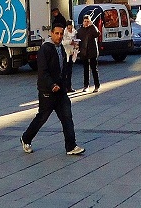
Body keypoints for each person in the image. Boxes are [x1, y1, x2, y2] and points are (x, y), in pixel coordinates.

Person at [21, 24, 84, 156]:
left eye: (61, 34)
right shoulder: (45, 49)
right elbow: (42, 71)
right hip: (48, 91)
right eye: (57, 34)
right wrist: (51, 85)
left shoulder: (60, 47)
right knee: (42, 117)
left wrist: (65, 84)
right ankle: (26, 138)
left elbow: (63, 67)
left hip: (60, 91)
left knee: (67, 117)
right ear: (51, 34)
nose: (59, 36)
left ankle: (71, 146)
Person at [76, 15, 100, 93]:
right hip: (84, 52)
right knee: (85, 69)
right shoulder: (80, 30)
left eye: (88, 21)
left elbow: (97, 34)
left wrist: (92, 25)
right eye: (85, 21)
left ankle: (97, 85)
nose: (86, 23)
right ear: (83, 22)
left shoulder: (92, 28)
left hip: (92, 51)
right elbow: (77, 40)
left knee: (94, 69)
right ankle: (86, 86)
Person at [61, 21, 79, 92]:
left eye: (71, 26)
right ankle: (64, 87)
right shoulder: (64, 33)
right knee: (64, 71)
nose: (70, 28)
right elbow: (62, 42)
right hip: (65, 53)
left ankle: (69, 86)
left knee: (70, 71)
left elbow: (76, 40)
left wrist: (76, 44)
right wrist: (69, 42)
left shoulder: (75, 32)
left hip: (72, 53)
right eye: (68, 27)